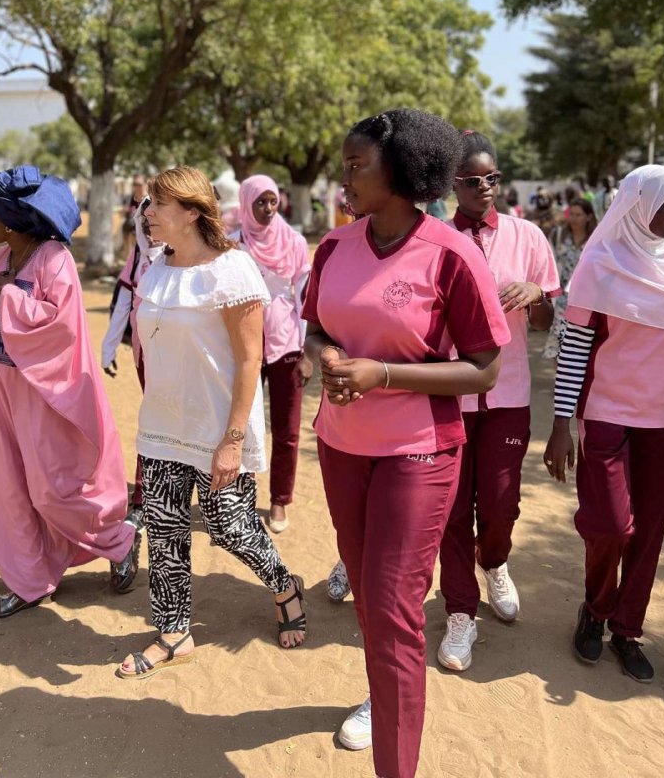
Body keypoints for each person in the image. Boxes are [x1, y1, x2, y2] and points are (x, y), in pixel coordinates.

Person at [302, 109, 510, 778]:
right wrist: (328, 358)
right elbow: (314, 329)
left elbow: (484, 368)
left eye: (357, 165)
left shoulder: (452, 254)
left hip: (418, 453)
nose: (345, 177)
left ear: (400, 171)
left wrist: (381, 374)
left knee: (392, 608)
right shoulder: (334, 247)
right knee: (370, 597)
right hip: (341, 448)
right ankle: (384, 693)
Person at [117, 167, 306, 680]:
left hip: (218, 428)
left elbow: (250, 361)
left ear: (193, 213)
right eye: (147, 204)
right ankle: (174, 631)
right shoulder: (155, 267)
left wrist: (233, 440)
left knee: (231, 527)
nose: (147, 213)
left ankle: (285, 585)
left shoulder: (233, 270)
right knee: (165, 531)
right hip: (162, 427)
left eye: (156, 204)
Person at [0, 166, 139, 619]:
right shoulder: (2, 257)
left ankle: (119, 540)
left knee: (53, 489)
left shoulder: (54, 260)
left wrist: (11, 295)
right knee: (3, 486)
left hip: (41, 393)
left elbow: (60, 327)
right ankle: (29, 581)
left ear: (7, 220)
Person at [543, 165, 664, 684]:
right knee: (612, 527)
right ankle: (594, 610)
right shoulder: (600, 264)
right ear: (642, 205)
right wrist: (559, 423)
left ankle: (626, 629)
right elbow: (574, 350)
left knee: (649, 532)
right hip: (607, 417)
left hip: (663, 424)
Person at [437, 131, 559, 673]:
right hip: (450, 397)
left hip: (508, 396)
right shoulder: (434, 238)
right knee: (453, 509)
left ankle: (497, 562)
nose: (484, 188)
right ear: (450, 185)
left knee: (503, 503)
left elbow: (547, 320)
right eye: (470, 181)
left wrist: (536, 296)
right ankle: (460, 612)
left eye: (492, 178)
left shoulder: (529, 236)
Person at [237, 175, 312, 534]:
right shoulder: (235, 244)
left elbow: (305, 298)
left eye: (272, 201)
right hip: (245, 347)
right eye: (259, 203)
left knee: (287, 429)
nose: (267, 209)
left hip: (287, 346)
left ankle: (280, 499)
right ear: (245, 204)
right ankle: (243, 498)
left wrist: (307, 350)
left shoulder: (294, 243)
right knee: (245, 426)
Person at [101, 197, 160, 534]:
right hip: (144, 355)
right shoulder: (138, 258)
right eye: (145, 223)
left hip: (180, 358)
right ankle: (142, 497)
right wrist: (108, 350)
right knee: (152, 419)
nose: (151, 231)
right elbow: (124, 302)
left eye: (156, 221)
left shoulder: (182, 258)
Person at [542, 197, 597, 359]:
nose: (573, 218)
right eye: (571, 214)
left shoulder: (596, 239)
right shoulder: (559, 235)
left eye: (578, 214)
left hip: (586, 301)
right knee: (559, 347)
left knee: (582, 348)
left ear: (588, 216)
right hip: (561, 301)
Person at [121, 175, 146, 257]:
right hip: (129, 229)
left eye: (139, 184)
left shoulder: (148, 200)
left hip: (143, 233)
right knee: (130, 256)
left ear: (145, 184)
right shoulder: (129, 199)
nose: (137, 187)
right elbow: (125, 214)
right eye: (135, 184)